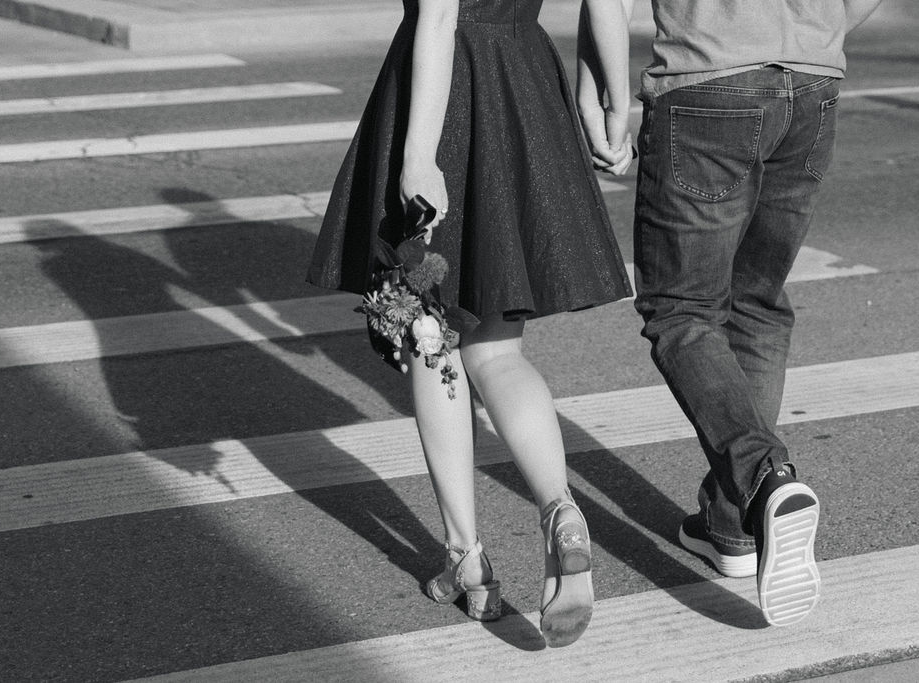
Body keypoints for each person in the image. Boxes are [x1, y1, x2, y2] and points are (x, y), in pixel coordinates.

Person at [308, 0, 635, 647]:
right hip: (522, 84)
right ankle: (560, 510)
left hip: (446, 93)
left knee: (433, 338)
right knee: (499, 351)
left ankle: (466, 557)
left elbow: (437, 16)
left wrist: (418, 156)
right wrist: (612, 106)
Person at [578, 0, 884, 626]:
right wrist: (815, 35)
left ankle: (764, 478)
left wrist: (609, 102)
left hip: (707, 84)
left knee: (681, 311)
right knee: (758, 304)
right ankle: (732, 525)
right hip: (813, 86)